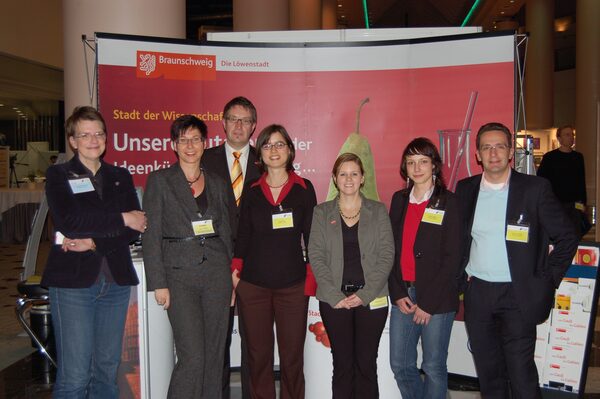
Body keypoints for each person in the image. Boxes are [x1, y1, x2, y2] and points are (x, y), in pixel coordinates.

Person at [456, 122, 579, 398]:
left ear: (510, 151)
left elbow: (567, 237)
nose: (494, 153)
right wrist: (461, 279)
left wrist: (548, 278)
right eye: (486, 147)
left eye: (500, 146)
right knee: (489, 375)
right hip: (479, 293)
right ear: (477, 154)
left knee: (521, 374)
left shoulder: (534, 189)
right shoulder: (466, 190)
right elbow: (458, 239)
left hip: (518, 294)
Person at [41, 106, 146, 398]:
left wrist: (95, 242)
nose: (93, 140)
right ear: (73, 141)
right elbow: (70, 222)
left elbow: (136, 228)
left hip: (115, 283)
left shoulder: (120, 176)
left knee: (107, 372)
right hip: (73, 283)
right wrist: (122, 218)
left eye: (98, 133)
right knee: (75, 376)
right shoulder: (59, 174)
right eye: (84, 134)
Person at [143, 115, 233, 398]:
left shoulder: (217, 182)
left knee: (215, 355)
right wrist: (158, 282)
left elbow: (227, 231)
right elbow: (151, 234)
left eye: (195, 139)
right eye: (183, 140)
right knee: (193, 356)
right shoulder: (160, 181)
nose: (190, 145)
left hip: (217, 275)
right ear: (174, 145)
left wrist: (232, 276)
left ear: (205, 144)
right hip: (178, 276)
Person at [231, 124, 316, 399]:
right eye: (267, 145)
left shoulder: (304, 188)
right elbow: (243, 234)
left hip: (292, 287)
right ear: (260, 154)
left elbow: (312, 236)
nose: (274, 150)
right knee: (258, 357)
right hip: (253, 286)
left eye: (280, 144)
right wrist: (235, 272)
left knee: (292, 358)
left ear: (290, 151)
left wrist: (312, 278)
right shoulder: (253, 190)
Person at [308, 152, 394, 399]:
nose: (348, 179)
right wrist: (335, 295)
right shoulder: (321, 212)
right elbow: (316, 254)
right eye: (343, 174)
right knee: (343, 366)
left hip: (372, 299)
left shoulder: (377, 211)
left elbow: (387, 255)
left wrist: (364, 294)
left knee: (366, 365)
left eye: (354, 173)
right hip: (334, 299)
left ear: (362, 178)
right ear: (335, 178)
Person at [387, 138, 461, 399]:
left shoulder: (449, 202)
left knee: (433, 366)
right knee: (400, 364)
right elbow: (390, 251)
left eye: (423, 162)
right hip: (403, 295)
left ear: (434, 166)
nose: (417, 168)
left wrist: (428, 303)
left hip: (437, 300)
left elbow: (454, 257)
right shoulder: (399, 200)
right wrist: (396, 292)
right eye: (411, 162)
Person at [202, 96, 261, 399]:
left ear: (253, 126)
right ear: (223, 123)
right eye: (233, 119)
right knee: (217, 340)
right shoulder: (204, 160)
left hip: (255, 265)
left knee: (253, 341)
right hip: (215, 263)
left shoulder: (267, 163)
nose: (238, 125)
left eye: (245, 120)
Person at [537, 125, 588, 237]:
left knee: (575, 234)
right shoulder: (550, 157)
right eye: (567, 135)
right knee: (557, 234)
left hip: (574, 204)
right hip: (556, 203)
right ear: (559, 138)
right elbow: (542, 180)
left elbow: (581, 181)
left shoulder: (578, 157)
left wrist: (583, 203)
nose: (571, 137)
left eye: (572, 135)